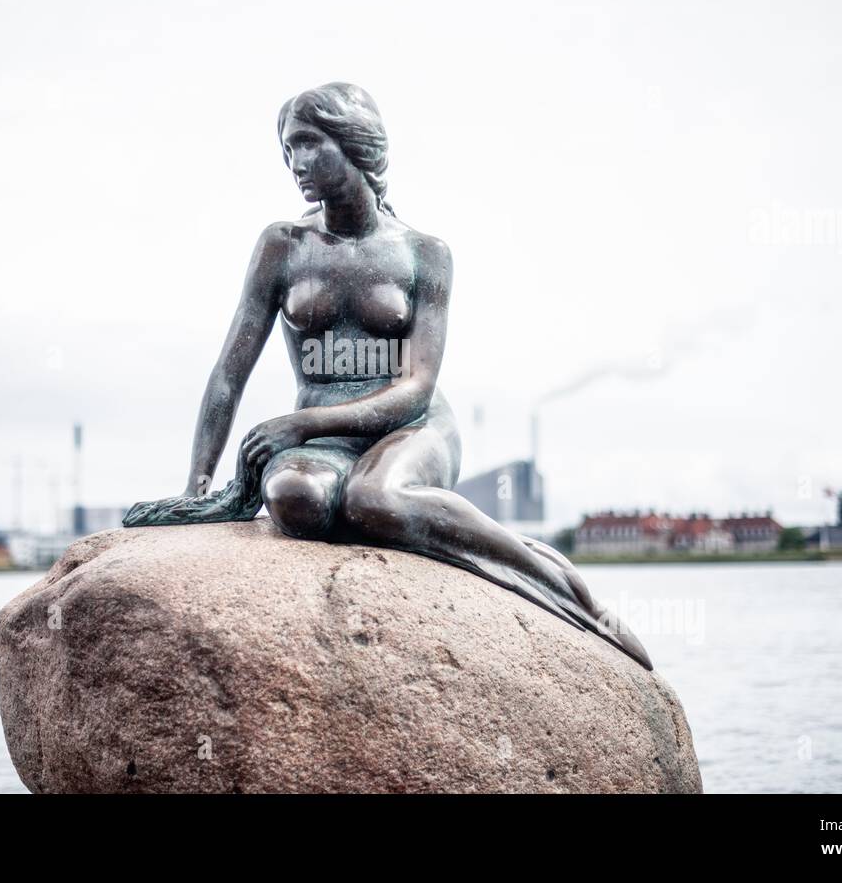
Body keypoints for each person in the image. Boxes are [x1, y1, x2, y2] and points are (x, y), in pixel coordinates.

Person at [124, 82, 652, 671]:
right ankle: (428, 527)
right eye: (286, 149)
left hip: (413, 426)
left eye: (308, 144)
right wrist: (198, 487)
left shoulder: (425, 253)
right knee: (293, 499)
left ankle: (553, 578)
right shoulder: (283, 245)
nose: (295, 163)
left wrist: (301, 423)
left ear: (355, 144)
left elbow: (416, 388)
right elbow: (229, 372)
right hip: (323, 443)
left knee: (376, 498)